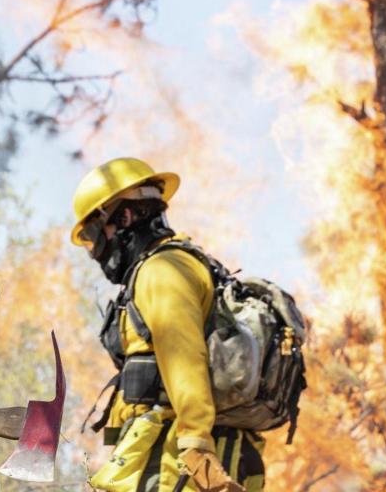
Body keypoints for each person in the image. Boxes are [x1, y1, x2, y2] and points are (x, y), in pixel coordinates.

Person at [70, 158, 264, 492]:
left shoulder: (162, 271)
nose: (95, 251)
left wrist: (196, 444)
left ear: (124, 217)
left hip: (178, 456)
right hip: (181, 448)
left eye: (92, 234)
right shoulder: (178, 263)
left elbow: (183, 356)